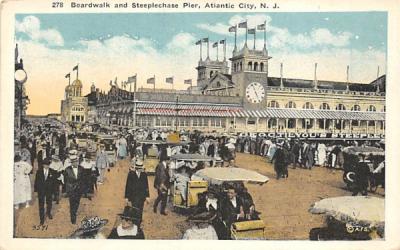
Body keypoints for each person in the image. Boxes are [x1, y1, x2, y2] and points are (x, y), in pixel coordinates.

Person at [34, 158, 57, 225]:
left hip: (49, 190)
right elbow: (36, 181)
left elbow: (54, 182)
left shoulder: (52, 171)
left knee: (49, 202)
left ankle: (48, 213)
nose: (47, 166)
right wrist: (36, 191)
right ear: (43, 165)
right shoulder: (39, 171)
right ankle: (41, 218)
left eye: (48, 165)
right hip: (41, 190)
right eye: (45, 165)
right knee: (41, 204)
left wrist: (54, 191)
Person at [64, 155, 84, 224]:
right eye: (74, 162)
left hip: (79, 190)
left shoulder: (81, 168)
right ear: (72, 163)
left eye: (77, 162)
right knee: (72, 204)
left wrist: (82, 188)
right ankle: (73, 218)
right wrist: (67, 190)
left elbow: (83, 179)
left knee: (77, 203)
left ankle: (74, 212)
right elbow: (65, 181)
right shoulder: (67, 169)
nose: (76, 163)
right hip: (71, 190)